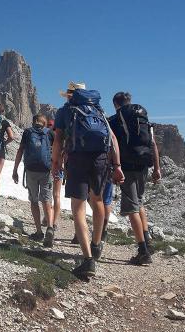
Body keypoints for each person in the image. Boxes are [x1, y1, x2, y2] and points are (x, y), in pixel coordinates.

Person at [52, 82, 124, 280]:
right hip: (100, 159)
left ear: (69, 95)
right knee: (98, 200)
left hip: (77, 159)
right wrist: (117, 166)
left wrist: (55, 163)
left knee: (78, 207)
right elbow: (113, 139)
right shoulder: (97, 109)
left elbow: (58, 139)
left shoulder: (65, 111)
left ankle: (88, 260)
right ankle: (96, 243)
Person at [108, 91, 162, 265]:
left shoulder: (115, 120)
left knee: (131, 208)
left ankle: (143, 251)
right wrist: (157, 168)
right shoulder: (142, 118)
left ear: (116, 104)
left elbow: (112, 144)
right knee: (139, 203)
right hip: (144, 164)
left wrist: (114, 167)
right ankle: (147, 241)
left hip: (127, 167)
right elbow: (153, 144)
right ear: (129, 101)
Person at [12, 114, 55, 247]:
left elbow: (20, 151)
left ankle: (38, 231)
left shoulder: (27, 132)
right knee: (47, 199)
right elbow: (57, 150)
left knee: (34, 200)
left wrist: (15, 170)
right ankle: (50, 228)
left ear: (33, 122)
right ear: (44, 122)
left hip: (30, 170)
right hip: (46, 170)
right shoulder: (50, 133)